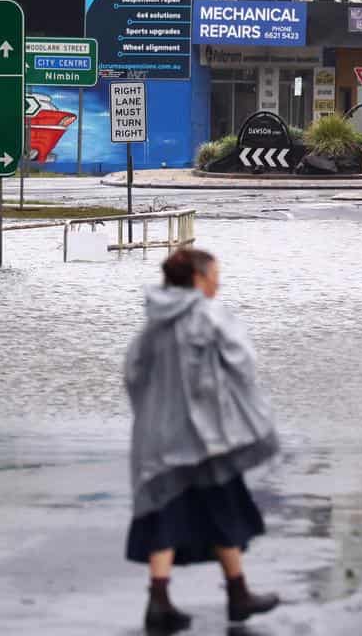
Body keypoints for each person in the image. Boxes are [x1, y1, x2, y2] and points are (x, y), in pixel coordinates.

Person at [124, 248, 282, 633]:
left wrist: (152, 415)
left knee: (164, 509)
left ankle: (160, 601)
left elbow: (133, 373)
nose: (218, 282)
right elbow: (243, 364)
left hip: (159, 436)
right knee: (223, 506)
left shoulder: (153, 322)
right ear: (197, 279)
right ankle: (237, 594)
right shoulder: (210, 316)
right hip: (206, 436)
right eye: (214, 275)